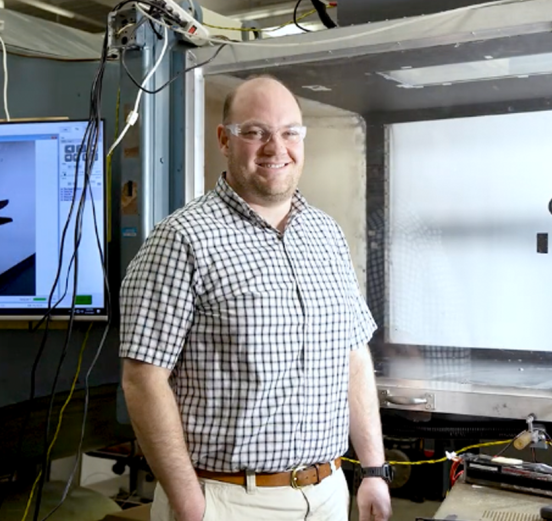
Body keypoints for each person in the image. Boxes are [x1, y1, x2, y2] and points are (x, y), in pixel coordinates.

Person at [119, 75, 392, 521]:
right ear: (224, 139)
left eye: (289, 132)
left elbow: (353, 355)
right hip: (230, 499)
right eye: (255, 132)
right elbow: (143, 379)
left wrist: (374, 470)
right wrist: (189, 503)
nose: (275, 147)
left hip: (328, 493)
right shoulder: (182, 239)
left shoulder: (325, 233)